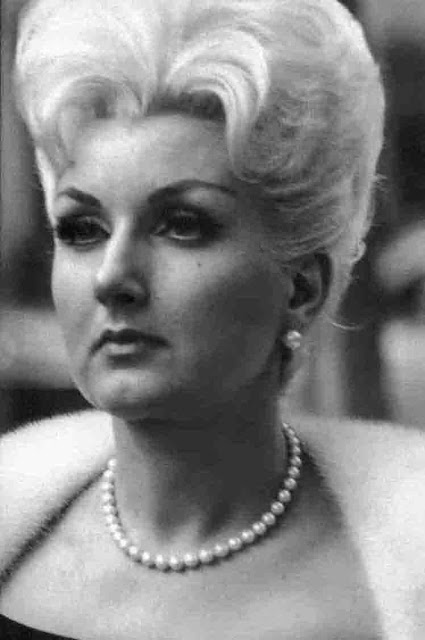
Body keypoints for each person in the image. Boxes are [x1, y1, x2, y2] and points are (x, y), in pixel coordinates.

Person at [1, 0, 424, 638]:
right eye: (82, 228)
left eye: (182, 224)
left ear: (302, 287)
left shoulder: (394, 592)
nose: (112, 277)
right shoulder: (16, 536)